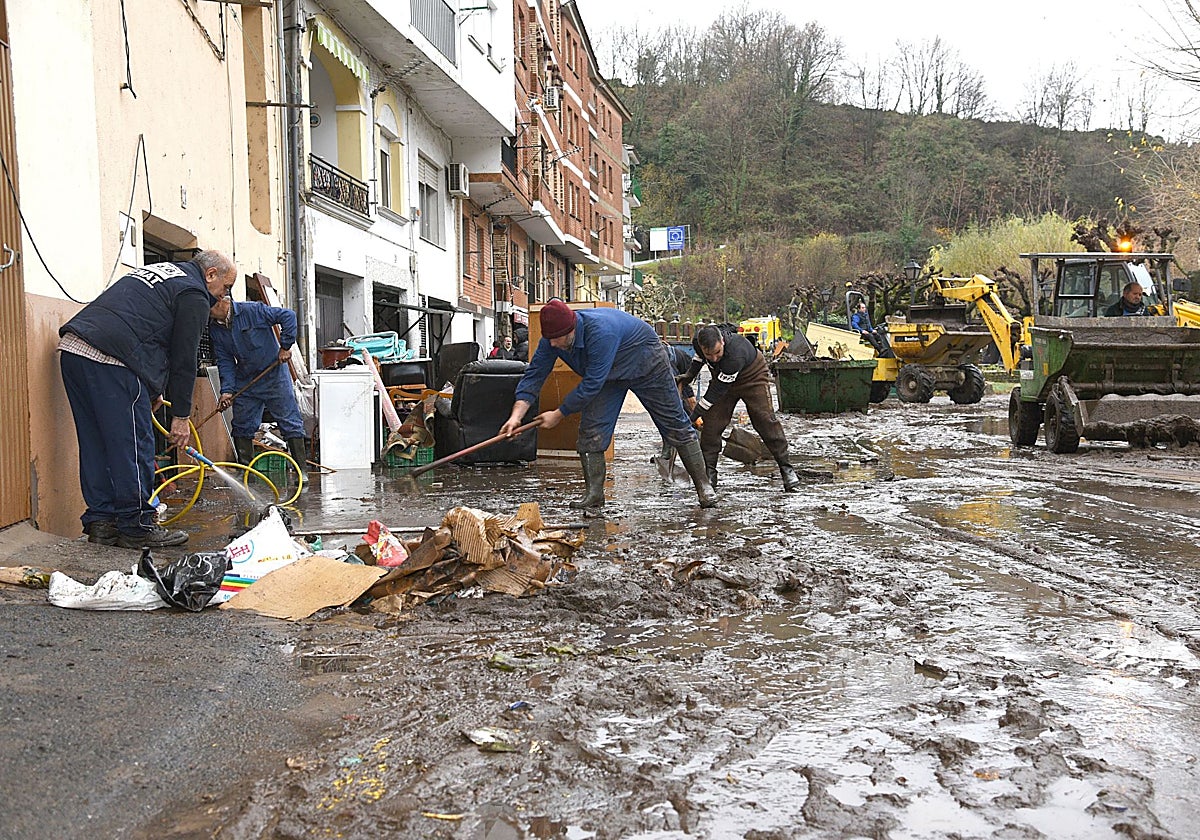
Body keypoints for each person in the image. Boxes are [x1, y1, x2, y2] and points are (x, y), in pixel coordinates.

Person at [58, 251, 237, 549]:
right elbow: (184, 357)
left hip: (75, 351)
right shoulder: (194, 293)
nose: (222, 296)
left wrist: (154, 390)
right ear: (211, 274)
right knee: (133, 444)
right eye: (226, 287)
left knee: (95, 444)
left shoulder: (163, 272)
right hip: (113, 360)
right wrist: (180, 416)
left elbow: (147, 327)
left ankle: (102, 522)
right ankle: (136, 525)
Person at [498, 299, 717, 509]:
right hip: (608, 375)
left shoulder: (600, 332)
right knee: (591, 432)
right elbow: (535, 375)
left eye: (558, 339)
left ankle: (704, 488)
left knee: (675, 425)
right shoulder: (552, 338)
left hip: (646, 361)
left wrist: (559, 413)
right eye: (550, 339)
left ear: (572, 329)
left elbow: (592, 383)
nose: (553, 344)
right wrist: (515, 416)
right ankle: (594, 495)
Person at [678, 323, 803, 493]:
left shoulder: (735, 354)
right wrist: (689, 375)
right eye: (709, 354)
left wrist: (692, 416)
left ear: (722, 342)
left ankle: (787, 469)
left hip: (752, 376)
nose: (713, 358)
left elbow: (715, 393)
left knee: (764, 420)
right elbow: (699, 358)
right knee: (711, 426)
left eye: (717, 353)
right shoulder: (700, 342)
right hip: (722, 378)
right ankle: (709, 477)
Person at [208, 296, 307, 471]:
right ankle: (247, 473)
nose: (208, 314)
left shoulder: (252, 311)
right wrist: (227, 391)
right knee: (241, 425)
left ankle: (301, 471)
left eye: (210, 309)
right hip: (247, 380)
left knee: (290, 422)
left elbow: (288, 316)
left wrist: (285, 346)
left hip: (274, 375)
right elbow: (225, 361)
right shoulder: (215, 328)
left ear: (222, 302)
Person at [652, 339, 697, 469]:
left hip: (684, 370)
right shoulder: (653, 357)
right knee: (666, 415)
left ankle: (697, 443)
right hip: (671, 369)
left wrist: (697, 415)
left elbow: (679, 389)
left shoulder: (665, 363)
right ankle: (668, 452)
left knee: (685, 407)